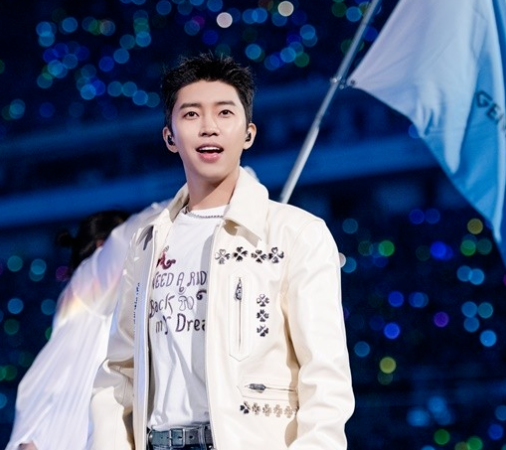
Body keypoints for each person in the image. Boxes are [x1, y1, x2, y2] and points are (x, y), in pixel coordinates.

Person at [89, 53, 355, 450]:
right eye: (191, 114)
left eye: (225, 113)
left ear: (248, 133)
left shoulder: (296, 234)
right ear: (169, 136)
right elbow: (119, 372)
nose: (209, 127)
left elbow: (325, 375)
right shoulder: (147, 242)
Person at [6, 204, 166, 450]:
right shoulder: (87, 286)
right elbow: (134, 235)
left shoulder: (97, 315)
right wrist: (198, 198)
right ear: (102, 247)